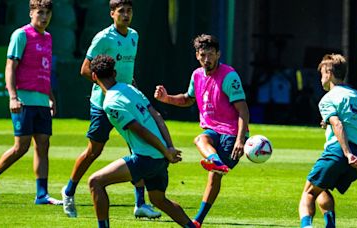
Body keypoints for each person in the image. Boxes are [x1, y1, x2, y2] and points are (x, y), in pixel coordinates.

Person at [61, 0, 161, 218]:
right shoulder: (103, 37)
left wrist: (130, 89)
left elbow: (126, 71)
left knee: (138, 149)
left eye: (129, 11)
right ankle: (68, 191)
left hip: (128, 102)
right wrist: (108, 90)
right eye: (121, 11)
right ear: (112, 14)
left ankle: (140, 204)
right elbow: (85, 70)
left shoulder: (134, 35)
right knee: (94, 151)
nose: (126, 15)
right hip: (103, 103)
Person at [87, 54, 199, 228]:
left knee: (95, 182)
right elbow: (157, 116)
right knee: (159, 200)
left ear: (94, 76)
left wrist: (165, 151)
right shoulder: (130, 88)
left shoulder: (110, 103)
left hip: (146, 158)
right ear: (115, 73)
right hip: (159, 158)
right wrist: (169, 148)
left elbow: (140, 130)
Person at [154, 34, 250, 227]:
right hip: (212, 131)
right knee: (200, 139)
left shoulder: (229, 75)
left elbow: (243, 109)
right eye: (203, 55)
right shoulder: (197, 75)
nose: (207, 59)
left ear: (218, 54)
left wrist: (240, 139)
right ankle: (215, 162)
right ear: (197, 55)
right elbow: (188, 99)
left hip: (231, 135)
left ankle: (198, 219)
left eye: (211, 54)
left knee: (214, 178)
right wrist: (167, 99)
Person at [0, 0, 62, 205]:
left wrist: (51, 97)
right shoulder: (21, 35)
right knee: (21, 147)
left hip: (41, 101)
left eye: (47, 13)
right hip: (23, 99)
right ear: (31, 14)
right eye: (40, 12)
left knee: (43, 145)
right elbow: (10, 66)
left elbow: (44, 70)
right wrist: (13, 96)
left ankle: (42, 195)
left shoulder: (48, 38)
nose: (44, 17)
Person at [298, 54, 357, 228]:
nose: (321, 78)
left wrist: (347, 153)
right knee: (322, 187)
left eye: (322, 73)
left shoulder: (328, 98)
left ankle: (306, 225)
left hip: (341, 153)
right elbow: (352, 122)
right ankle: (330, 226)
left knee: (308, 193)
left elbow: (338, 123)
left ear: (329, 73)